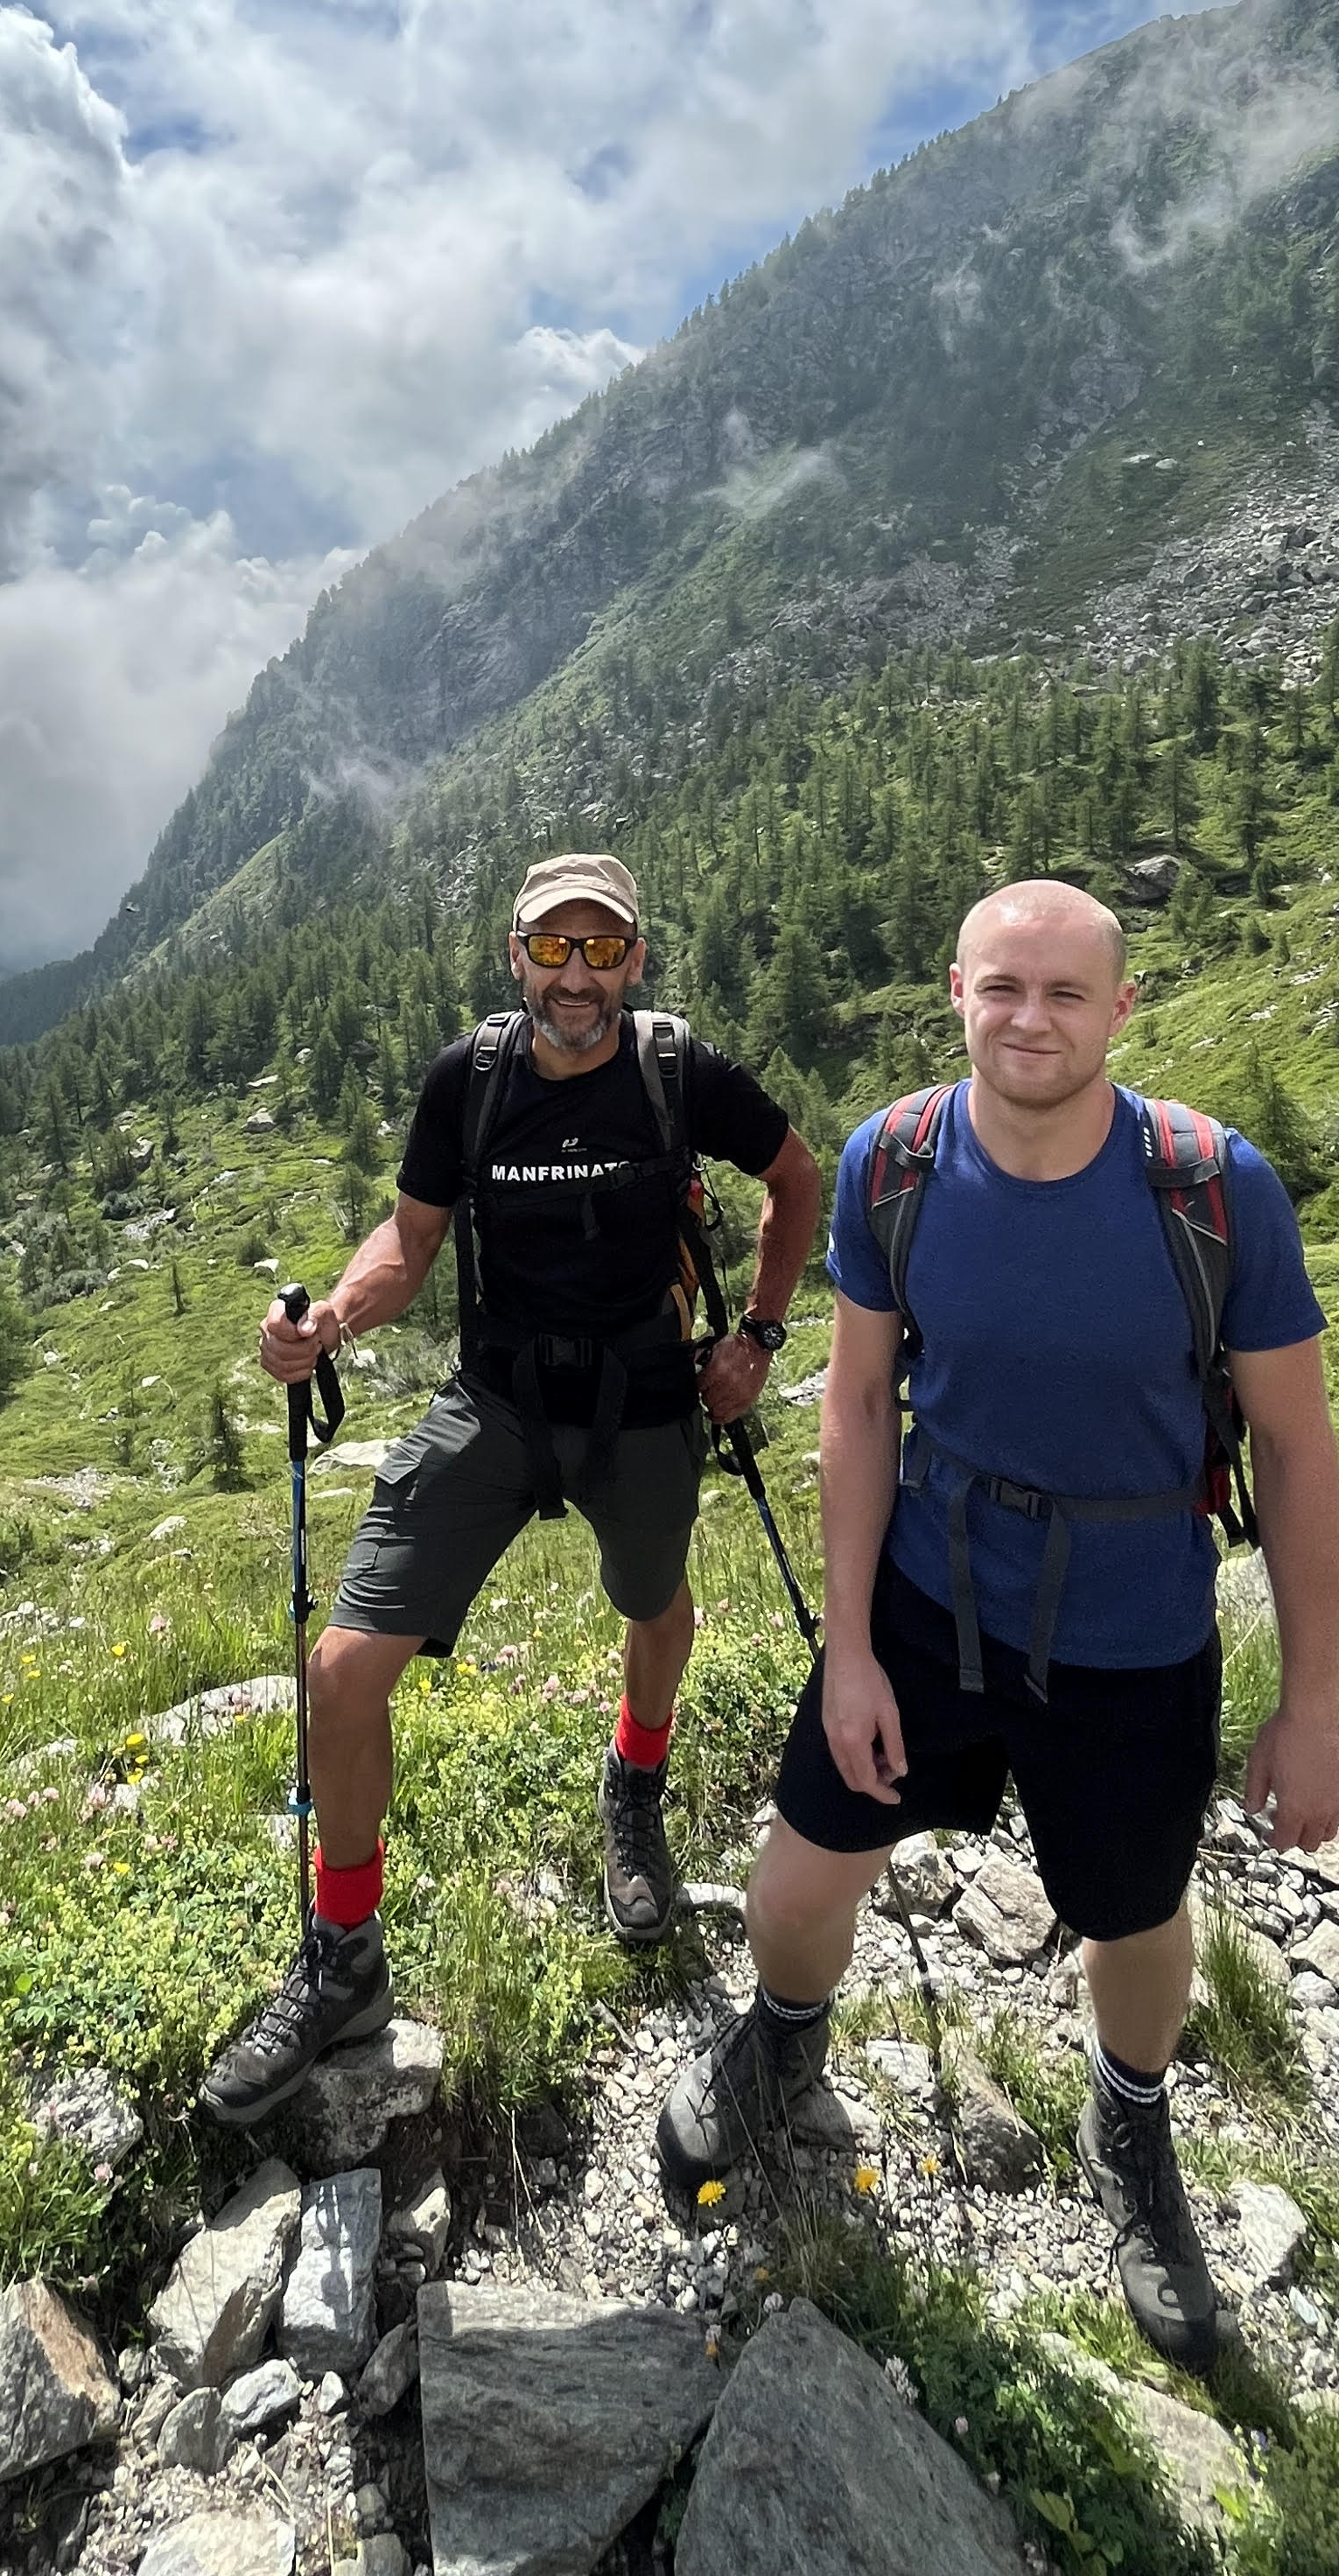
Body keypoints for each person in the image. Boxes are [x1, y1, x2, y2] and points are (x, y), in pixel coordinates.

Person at [656, 878, 1339, 2370]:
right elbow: (854, 1402)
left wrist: (1315, 1701)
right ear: (956, 992)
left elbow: (1295, 1447)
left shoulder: (1214, 1190)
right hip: (927, 1601)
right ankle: (783, 2035)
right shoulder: (894, 1162)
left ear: (1121, 1010)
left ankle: (1132, 2125)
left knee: (1137, 1920)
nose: (1031, 1018)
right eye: (1003, 989)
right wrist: (848, 1646)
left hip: (1135, 1627)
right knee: (796, 1877)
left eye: (1065, 993)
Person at [201, 851, 823, 2126]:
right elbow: (410, 1239)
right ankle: (342, 1959)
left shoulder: (676, 1073)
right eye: (555, 950)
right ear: (516, 956)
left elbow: (796, 1180)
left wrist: (755, 1338)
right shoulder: (469, 1080)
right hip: (495, 1402)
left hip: (648, 1395)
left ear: (634, 960)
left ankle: (632, 1791)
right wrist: (329, 1319)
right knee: (338, 1673)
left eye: (602, 951)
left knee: (657, 1608)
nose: (577, 976)